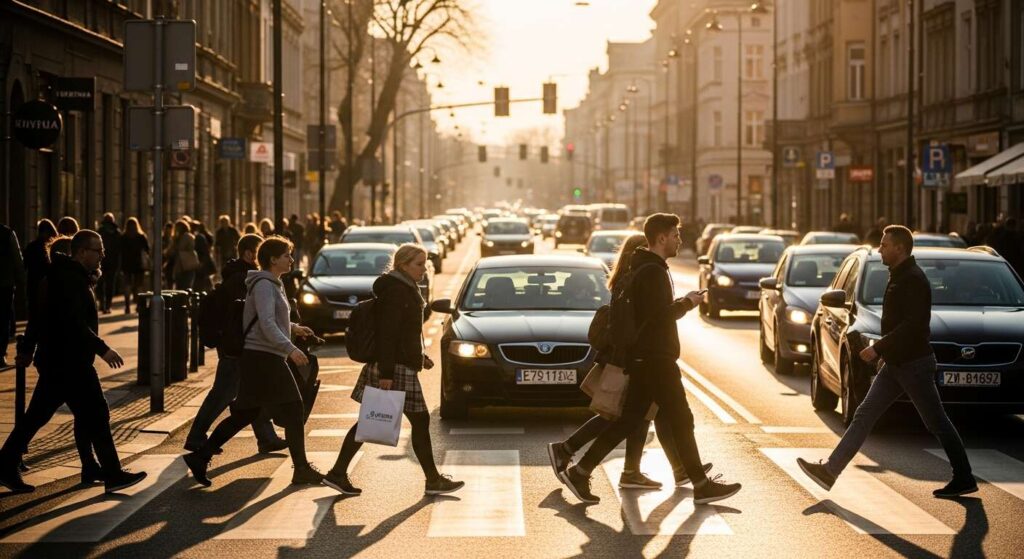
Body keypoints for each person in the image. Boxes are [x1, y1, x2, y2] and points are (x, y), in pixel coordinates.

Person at [557, 214, 741, 505]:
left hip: (644, 359)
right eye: (675, 235)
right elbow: (658, 318)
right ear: (661, 238)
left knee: (627, 422)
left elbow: (648, 315)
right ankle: (701, 484)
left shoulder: (642, 267)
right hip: (656, 360)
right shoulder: (653, 272)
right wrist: (687, 303)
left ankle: (580, 472)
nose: (680, 240)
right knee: (681, 419)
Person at [797, 225, 977, 498]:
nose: (880, 249)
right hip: (897, 364)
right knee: (863, 415)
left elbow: (912, 326)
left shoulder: (912, 280)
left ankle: (963, 476)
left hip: (914, 365)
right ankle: (830, 471)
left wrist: (878, 349)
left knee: (936, 422)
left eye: (884, 245)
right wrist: (886, 356)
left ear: (900, 248)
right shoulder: (899, 275)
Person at [0, 231, 147, 494]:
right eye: (98, 250)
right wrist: (102, 349)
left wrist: (28, 348)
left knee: (39, 416)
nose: (102, 255)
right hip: (69, 361)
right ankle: (112, 473)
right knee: (96, 413)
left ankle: (7, 464)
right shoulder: (68, 279)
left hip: (59, 360)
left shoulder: (67, 276)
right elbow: (73, 322)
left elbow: (40, 317)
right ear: (81, 252)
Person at [321, 244, 464, 497]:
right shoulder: (397, 291)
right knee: (414, 420)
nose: (424, 269)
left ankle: (338, 473)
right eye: (418, 264)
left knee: (374, 420)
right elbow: (387, 335)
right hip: (394, 368)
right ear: (403, 265)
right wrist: (386, 373)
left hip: (398, 364)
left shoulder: (403, 288)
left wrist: (419, 357)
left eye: (424, 263)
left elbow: (402, 335)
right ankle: (432, 480)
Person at [182, 236, 323, 487]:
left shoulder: (272, 283)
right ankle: (301, 469)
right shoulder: (264, 285)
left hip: (261, 356)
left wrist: (293, 327)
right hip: (264, 358)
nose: (291, 259)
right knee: (294, 408)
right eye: (286, 255)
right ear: (273, 259)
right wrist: (290, 349)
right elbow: (266, 323)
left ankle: (200, 457)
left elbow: (268, 320)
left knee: (245, 412)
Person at [184, 233, 288, 455]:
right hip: (236, 347)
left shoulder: (243, 277)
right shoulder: (244, 280)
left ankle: (266, 438)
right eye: (259, 252)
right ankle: (196, 437)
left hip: (240, 345)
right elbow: (256, 317)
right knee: (223, 394)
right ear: (249, 254)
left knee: (253, 393)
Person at [0, 222, 25, 368]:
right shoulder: (7, 233)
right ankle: (0, 354)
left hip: (5, 283)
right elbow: (17, 258)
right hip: (4, 284)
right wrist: (22, 280)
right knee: (3, 319)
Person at [22, 219, 58, 320]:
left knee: (34, 313)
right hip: (49, 284)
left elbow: (24, 265)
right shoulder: (52, 247)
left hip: (33, 283)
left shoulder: (31, 246)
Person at [120, 217, 150, 314]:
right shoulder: (141, 236)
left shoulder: (123, 237)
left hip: (127, 264)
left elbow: (119, 251)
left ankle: (127, 306)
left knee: (127, 285)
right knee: (139, 285)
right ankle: (138, 305)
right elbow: (147, 249)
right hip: (139, 264)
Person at [96, 213, 122, 314]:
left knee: (105, 284)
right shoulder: (115, 232)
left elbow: (119, 250)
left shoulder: (113, 232)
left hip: (106, 262)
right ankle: (106, 305)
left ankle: (105, 304)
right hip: (105, 262)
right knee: (106, 284)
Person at [170, 220, 198, 290]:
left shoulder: (186, 236)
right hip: (181, 266)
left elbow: (181, 248)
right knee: (180, 285)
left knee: (185, 285)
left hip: (186, 264)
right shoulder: (179, 237)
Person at [191, 221, 215, 293]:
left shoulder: (199, 237)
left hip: (201, 264)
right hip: (202, 264)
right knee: (205, 282)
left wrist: (201, 262)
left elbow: (203, 252)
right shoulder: (200, 236)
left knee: (202, 283)